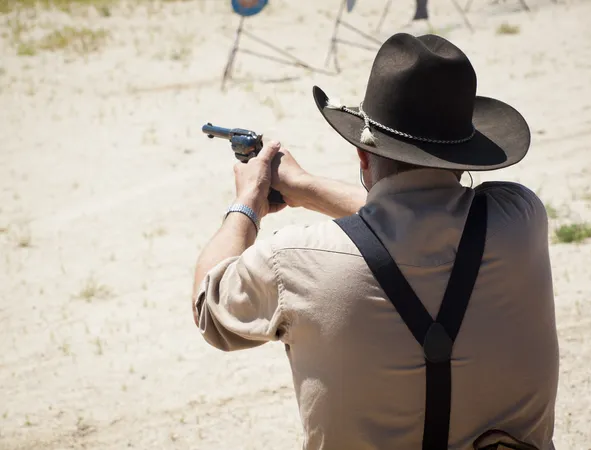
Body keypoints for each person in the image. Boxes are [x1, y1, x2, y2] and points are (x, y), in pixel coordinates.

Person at [191, 33, 558, 450]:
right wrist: (306, 187)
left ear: (363, 157)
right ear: (464, 156)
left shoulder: (294, 260)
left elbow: (209, 305)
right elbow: (418, 214)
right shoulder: (521, 219)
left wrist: (247, 203)